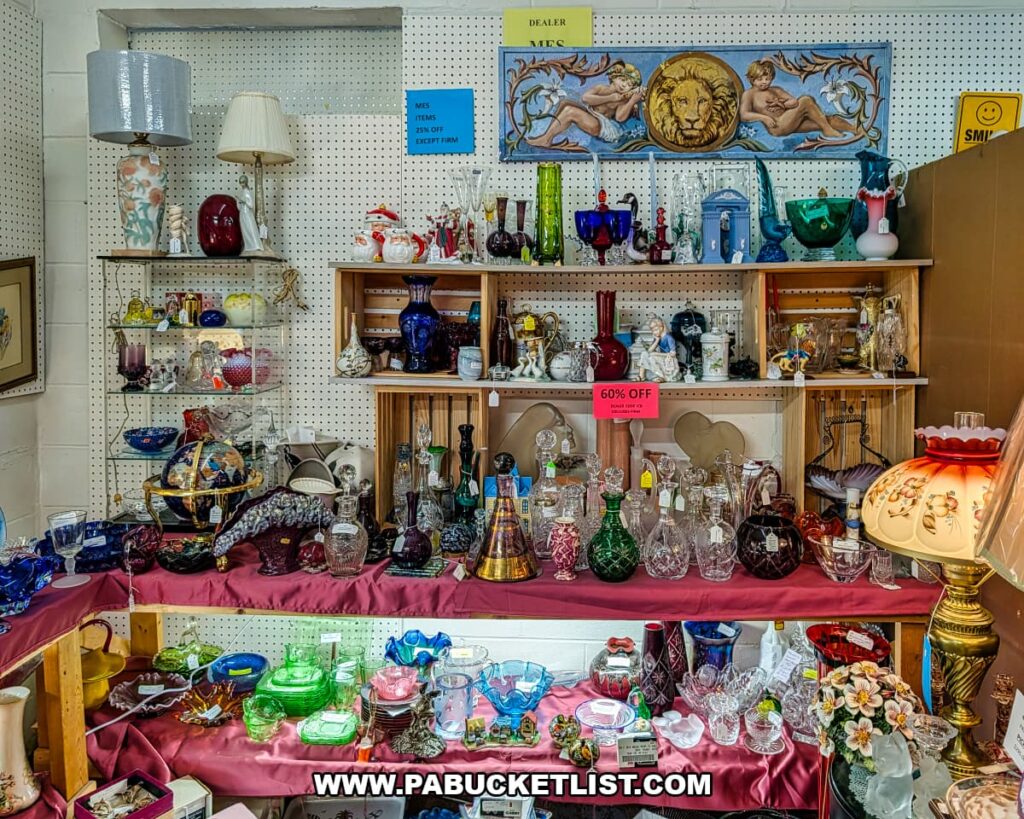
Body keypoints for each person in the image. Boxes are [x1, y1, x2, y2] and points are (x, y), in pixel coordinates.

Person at [528, 63, 644, 148]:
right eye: (622, 79)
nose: (624, 85)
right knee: (565, 102)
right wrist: (610, 97)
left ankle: (546, 139)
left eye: (629, 84)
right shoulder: (601, 88)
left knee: (570, 111)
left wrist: (632, 101)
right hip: (593, 116)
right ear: (614, 76)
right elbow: (585, 98)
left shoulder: (622, 100)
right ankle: (548, 134)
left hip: (604, 127)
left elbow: (620, 118)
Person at [740, 59, 858, 139]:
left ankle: (857, 131)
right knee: (806, 100)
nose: (764, 82)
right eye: (760, 79)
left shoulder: (775, 90)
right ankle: (827, 130)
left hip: (790, 122)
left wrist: (784, 105)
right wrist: (764, 117)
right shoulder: (749, 94)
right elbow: (744, 115)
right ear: (752, 79)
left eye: (767, 79)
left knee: (828, 119)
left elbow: (794, 102)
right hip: (777, 126)